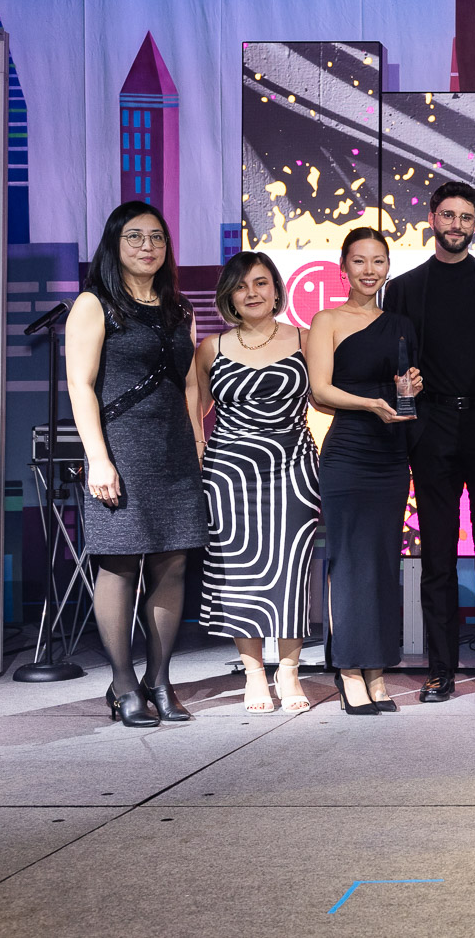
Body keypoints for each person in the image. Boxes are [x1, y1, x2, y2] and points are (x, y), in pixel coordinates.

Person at [384, 181, 475, 703]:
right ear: (432, 218)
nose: (457, 225)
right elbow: (394, 363)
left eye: (466, 217)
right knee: (438, 555)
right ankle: (440, 668)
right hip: (432, 426)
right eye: (448, 215)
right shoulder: (403, 289)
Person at [65, 201, 205, 728]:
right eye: (135, 237)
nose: (148, 246)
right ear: (114, 244)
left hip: (174, 451)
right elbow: (80, 385)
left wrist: (197, 440)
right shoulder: (94, 304)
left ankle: (160, 680)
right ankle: (124, 684)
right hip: (120, 448)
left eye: (157, 237)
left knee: (172, 563)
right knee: (120, 563)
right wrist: (98, 459)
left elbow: (189, 383)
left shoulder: (179, 309)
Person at [195, 251, 320, 714]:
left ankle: (289, 671)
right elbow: (194, 411)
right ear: (228, 295)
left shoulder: (306, 338)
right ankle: (253, 673)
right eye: (241, 285)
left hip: (293, 467)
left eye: (261, 282)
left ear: (276, 289)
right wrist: (198, 455)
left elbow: (325, 398)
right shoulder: (211, 348)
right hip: (229, 474)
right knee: (240, 572)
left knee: (291, 570)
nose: (252, 293)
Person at [305, 227, 422, 715]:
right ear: (343, 268)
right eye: (359, 261)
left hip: (392, 454)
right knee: (350, 563)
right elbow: (320, 390)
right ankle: (350, 670)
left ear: (388, 267)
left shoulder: (401, 323)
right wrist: (370, 403)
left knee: (382, 563)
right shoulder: (327, 320)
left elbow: (406, 388)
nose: (369, 270)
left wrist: (411, 386)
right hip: (349, 452)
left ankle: (377, 669)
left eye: (378, 261)